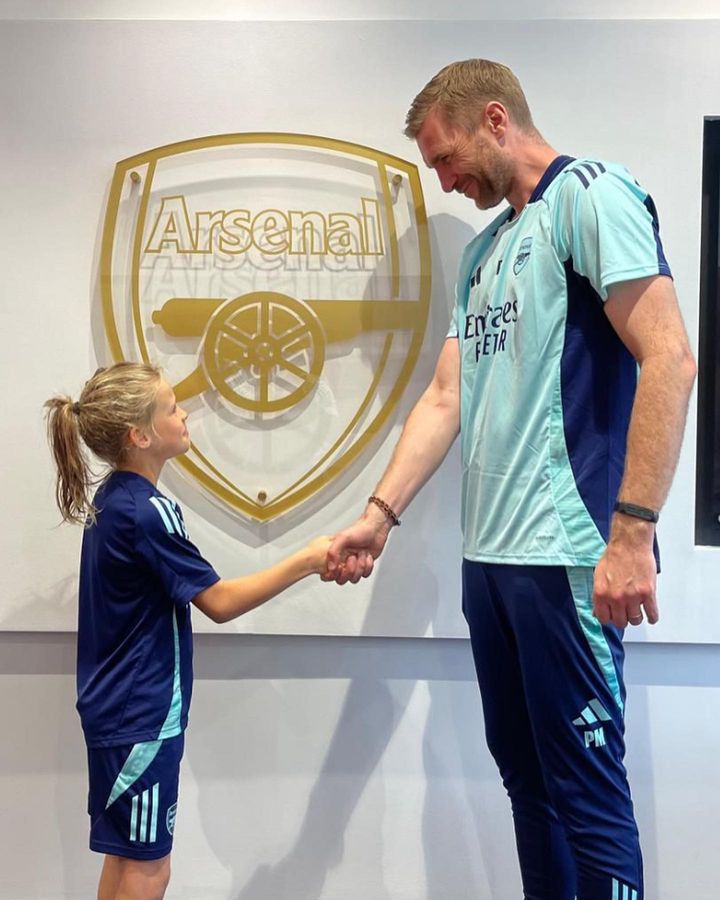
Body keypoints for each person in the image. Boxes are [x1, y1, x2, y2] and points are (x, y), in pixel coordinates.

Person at [327, 59, 696, 899]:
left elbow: (669, 359)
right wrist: (378, 516)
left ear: (495, 119)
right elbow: (445, 397)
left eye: (445, 157)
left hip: (568, 554)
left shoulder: (591, 197)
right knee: (530, 791)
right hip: (490, 562)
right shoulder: (488, 252)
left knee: (588, 798)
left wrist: (632, 532)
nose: (445, 180)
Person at [45, 362, 330, 900]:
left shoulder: (115, 499)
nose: (185, 414)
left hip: (121, 711)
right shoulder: (147, 511)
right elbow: (219, 602)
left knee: (127, 859)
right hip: (142, 715)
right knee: (150, 869)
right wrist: (308, 559)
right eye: (173, 407)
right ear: (141, 435)